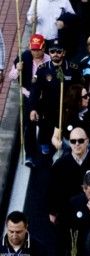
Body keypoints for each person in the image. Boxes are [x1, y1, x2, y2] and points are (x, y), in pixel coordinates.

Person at [28, 40, 81, 156]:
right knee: (46, 148)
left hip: (68, 112)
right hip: (48, 111)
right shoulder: (42, 69)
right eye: (52, 51)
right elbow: (35, 91)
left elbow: (80, 90)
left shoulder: (73, 69)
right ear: (49, 53)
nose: (55, 54)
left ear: (64, 53)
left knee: (67, 143)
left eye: (58, 51)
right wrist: (33, 109)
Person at [7, 34, 51, 167]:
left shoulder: (49, 60)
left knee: (44, 122)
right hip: (27, 95)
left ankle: (44, 142)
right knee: (29, 126)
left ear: (43, 48)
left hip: (43, 96)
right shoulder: (24, 57)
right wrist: (17, 70)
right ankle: (29, 154)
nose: (35, 52)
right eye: (33, 49)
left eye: (38, 49)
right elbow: (11, 76)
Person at [48, 127, 90, 226]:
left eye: (81, 140)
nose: (77, 144)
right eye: (73, 141)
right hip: (67, 214)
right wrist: (53, 212)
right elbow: (53, 191)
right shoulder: (59, 165)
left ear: (87, 141)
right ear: (69, 143)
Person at [51, 84, 90, 156]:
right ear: (76, 99)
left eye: (88, 95)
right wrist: (57, 143)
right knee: (56, 162)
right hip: (68, 150)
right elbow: (55, 137)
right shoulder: (63, 113)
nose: (88, 98)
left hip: (88, 150)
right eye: (85, 97)